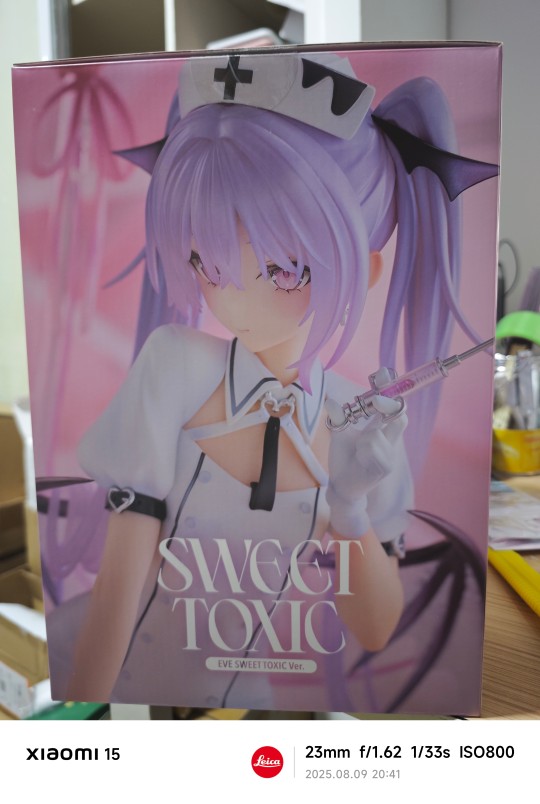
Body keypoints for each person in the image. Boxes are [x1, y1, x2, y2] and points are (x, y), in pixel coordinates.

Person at [65, 52, 495, 709]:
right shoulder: (174, 364)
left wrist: (348, 505)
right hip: (131, 696)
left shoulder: (364, 424)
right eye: (207, 261)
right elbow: (119, 583)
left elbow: (376, 628)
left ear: (364, 271)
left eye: (284, 270)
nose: (235, 298)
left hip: (252, 703)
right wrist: (82, 722)